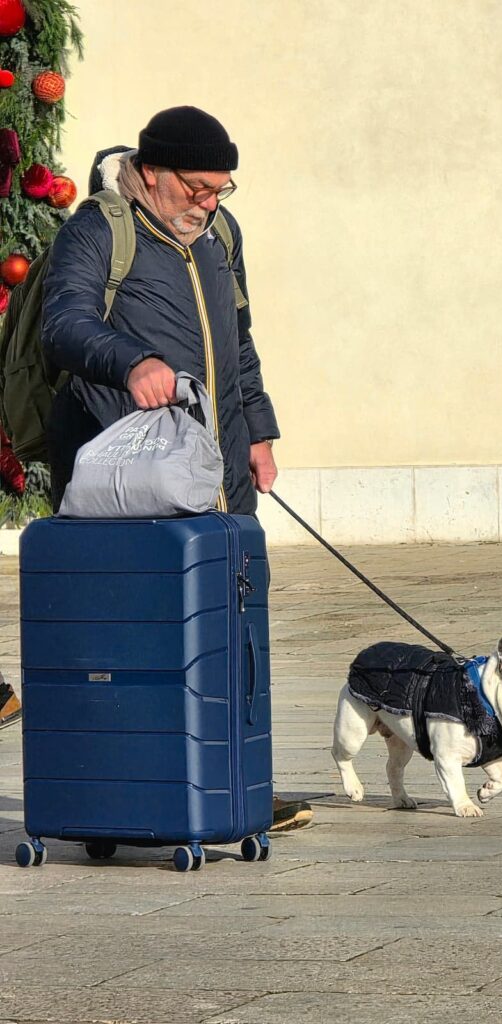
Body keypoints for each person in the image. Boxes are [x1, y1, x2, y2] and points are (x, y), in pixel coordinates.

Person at [41, 105, 311, 833]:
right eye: (197, 187)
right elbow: (62, 324)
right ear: (153, 173)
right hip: (128, 475)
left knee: (231, 634)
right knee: (142, 639)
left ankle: (235, 785)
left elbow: (238, 340)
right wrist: (133, 361)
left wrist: (259, 431)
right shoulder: (101, 229)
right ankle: (139, 793)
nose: (209, 202)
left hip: (220, 467)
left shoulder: (221, 234)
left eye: (221, 189)